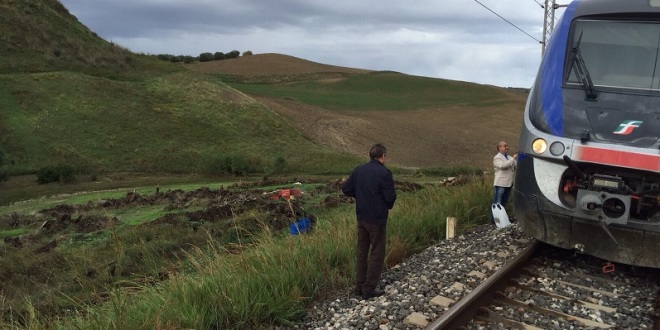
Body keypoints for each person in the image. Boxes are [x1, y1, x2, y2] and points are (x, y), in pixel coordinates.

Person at [342, 143, 397, 300]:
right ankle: (369, 288)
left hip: (361, 216)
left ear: (370, 155)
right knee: (377, 252)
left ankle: (359, 286)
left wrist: (360, 196)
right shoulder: (384, 173)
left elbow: (346, 188)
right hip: (377, 218)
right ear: (383, 156)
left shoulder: (359, 170)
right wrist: (385, 204)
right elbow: (390, 198)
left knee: (362, 250)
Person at [492, 141, 517, 224]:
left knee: (504, 202)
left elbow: (515, 167)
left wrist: (516, 161)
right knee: (497, 202)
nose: (507, 147)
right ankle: (494, 220)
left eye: (507, 146)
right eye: (505, 146)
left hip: (509, 183)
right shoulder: (497, 158)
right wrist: (513, 159)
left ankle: (503, 219)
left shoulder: (509, 157)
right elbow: (503, 166)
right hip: (501, 183)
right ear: (499, 148)